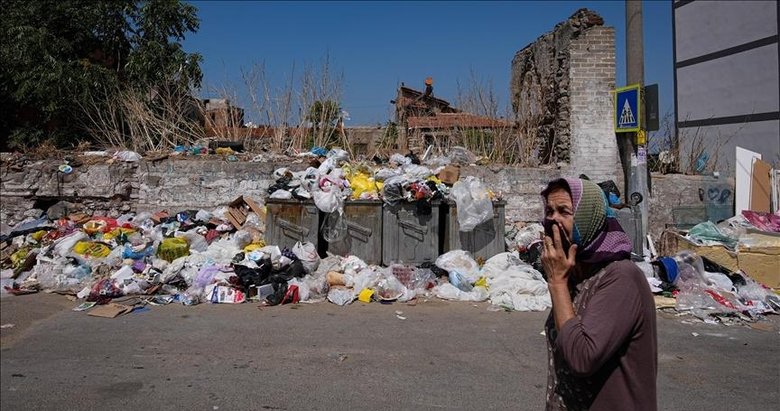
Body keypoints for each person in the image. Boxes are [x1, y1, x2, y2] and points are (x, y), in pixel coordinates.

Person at [540, 177, 657, 410]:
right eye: (549, 211)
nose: (553, 219)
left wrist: (557, 283)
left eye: (564, 211)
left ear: (588, 217)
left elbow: (582, 357)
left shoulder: (621, 277)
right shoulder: (577, 274)